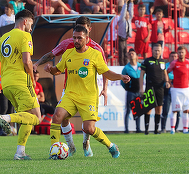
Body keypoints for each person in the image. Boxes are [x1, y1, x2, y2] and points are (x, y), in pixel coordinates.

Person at [44, 25, 130, 158]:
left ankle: (111, 146)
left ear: (87, 38)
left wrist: (120, 76)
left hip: (88, 97)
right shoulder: (68, 53)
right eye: (74, 38)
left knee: (89, 128)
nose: (76, 41)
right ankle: (54, 151)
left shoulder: (95, 54)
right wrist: (51, 69)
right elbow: (58, 70)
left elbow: (106, 72)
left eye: (79, 38)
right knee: (57, 116)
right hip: (70, 95)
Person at [33, 16, 109, 157]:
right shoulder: (67, 44)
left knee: (88, 125)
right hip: (69, 89)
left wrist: (105, 88)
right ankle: (70, 146)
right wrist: (37, 64)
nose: (77, 39)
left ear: (89, 30)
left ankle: (86, 143)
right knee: (61, 116)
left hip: (87, 92)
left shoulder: (96, 49)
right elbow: (51, 54)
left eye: (83, 29)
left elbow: (105, 70)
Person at [0, 9, 42, 160]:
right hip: (22, 82)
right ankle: (6, 118)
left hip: (6, 85)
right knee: (37, 118)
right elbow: (27, 61)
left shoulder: (2, 39)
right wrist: (32, 79)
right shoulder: (25, 35)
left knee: (26, 116)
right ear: (25, 21)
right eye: (31, 24)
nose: (31, 28)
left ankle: (20, 153)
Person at [139, 43, 170, 135]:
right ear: (152, 51)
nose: (157, 52)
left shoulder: (162, 61)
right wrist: (141, 88)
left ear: (161, 51)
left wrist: (167, 82)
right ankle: (146, 130)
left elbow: (165, 73)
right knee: (148, 108)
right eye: (155, 50)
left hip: (160, 88)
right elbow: (141, 75)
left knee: (159, 108)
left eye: (159, 50)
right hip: (150, 88)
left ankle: (156, 130)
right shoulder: (147, 61)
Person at [167, 46, 189, 134]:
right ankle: (172, 129)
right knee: (175, 109)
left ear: (185, 53)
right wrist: (169, 83)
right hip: (176, 89)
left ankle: (185, 129)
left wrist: (187, 83)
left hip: (186, 89)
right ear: (177, 53)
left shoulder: (188, 63)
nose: (181, 54)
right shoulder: (174, 63)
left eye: (182, 52)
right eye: (179, 52)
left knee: (186, 109)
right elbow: (167, 72)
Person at [0, 60, 14, 136]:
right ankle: (1, 130)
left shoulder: (11, 62)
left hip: (11, 90)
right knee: (4, 108)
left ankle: (7, 129)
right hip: (2, 90)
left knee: (10, 110)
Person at [121, 48, 141, 133]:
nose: (131, 55)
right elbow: (122, 80)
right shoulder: (126, 68)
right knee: (128, 110)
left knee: (138, 111)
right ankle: (126, 129)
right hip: (130, 92)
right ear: (128, 56)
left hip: (138, 92)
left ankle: (138, 129)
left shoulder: (140, 66)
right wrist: (126, 87)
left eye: (133, 53)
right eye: (130, 54)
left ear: (136, 55)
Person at [161, 52, 180, 133]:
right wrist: (170, 80)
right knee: (165, 109)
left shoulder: (180, 65)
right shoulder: (165, 66)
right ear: (169, 57)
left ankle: (176, 128)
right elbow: (163, 75)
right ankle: (163, 128)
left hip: (177, 89)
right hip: (167, 89)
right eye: (172, 56)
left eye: (175, 56)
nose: (174, 58)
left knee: (177, 110)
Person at [117, 0, 133, 66]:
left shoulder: (129, 20)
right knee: (121, 54)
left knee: (125, 54)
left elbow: (131, 12)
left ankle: (125, 64)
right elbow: (123, 13)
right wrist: (125, 3)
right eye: (126, 14)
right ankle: (121, 65)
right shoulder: (122, 20)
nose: (128, 15)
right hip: (121, 38)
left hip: (125, 39)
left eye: (128, 14)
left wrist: (131, 3)